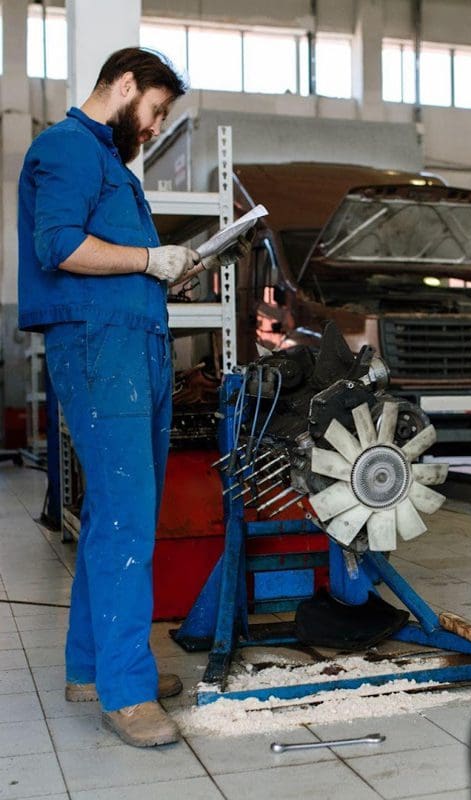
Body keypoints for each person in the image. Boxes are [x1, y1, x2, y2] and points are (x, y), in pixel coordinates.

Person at [17, 47, 247, 747]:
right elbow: (58, 245)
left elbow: (111, 260)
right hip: (101, 348)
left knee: (113, 514)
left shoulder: (110, 164)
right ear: (125, 85)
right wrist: (150, 259)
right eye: (155, 111)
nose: (154, 127)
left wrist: (163, 272)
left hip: (132, 343)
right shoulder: (66, 147)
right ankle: (126, 692)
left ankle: (91, 667)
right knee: (127, 520)